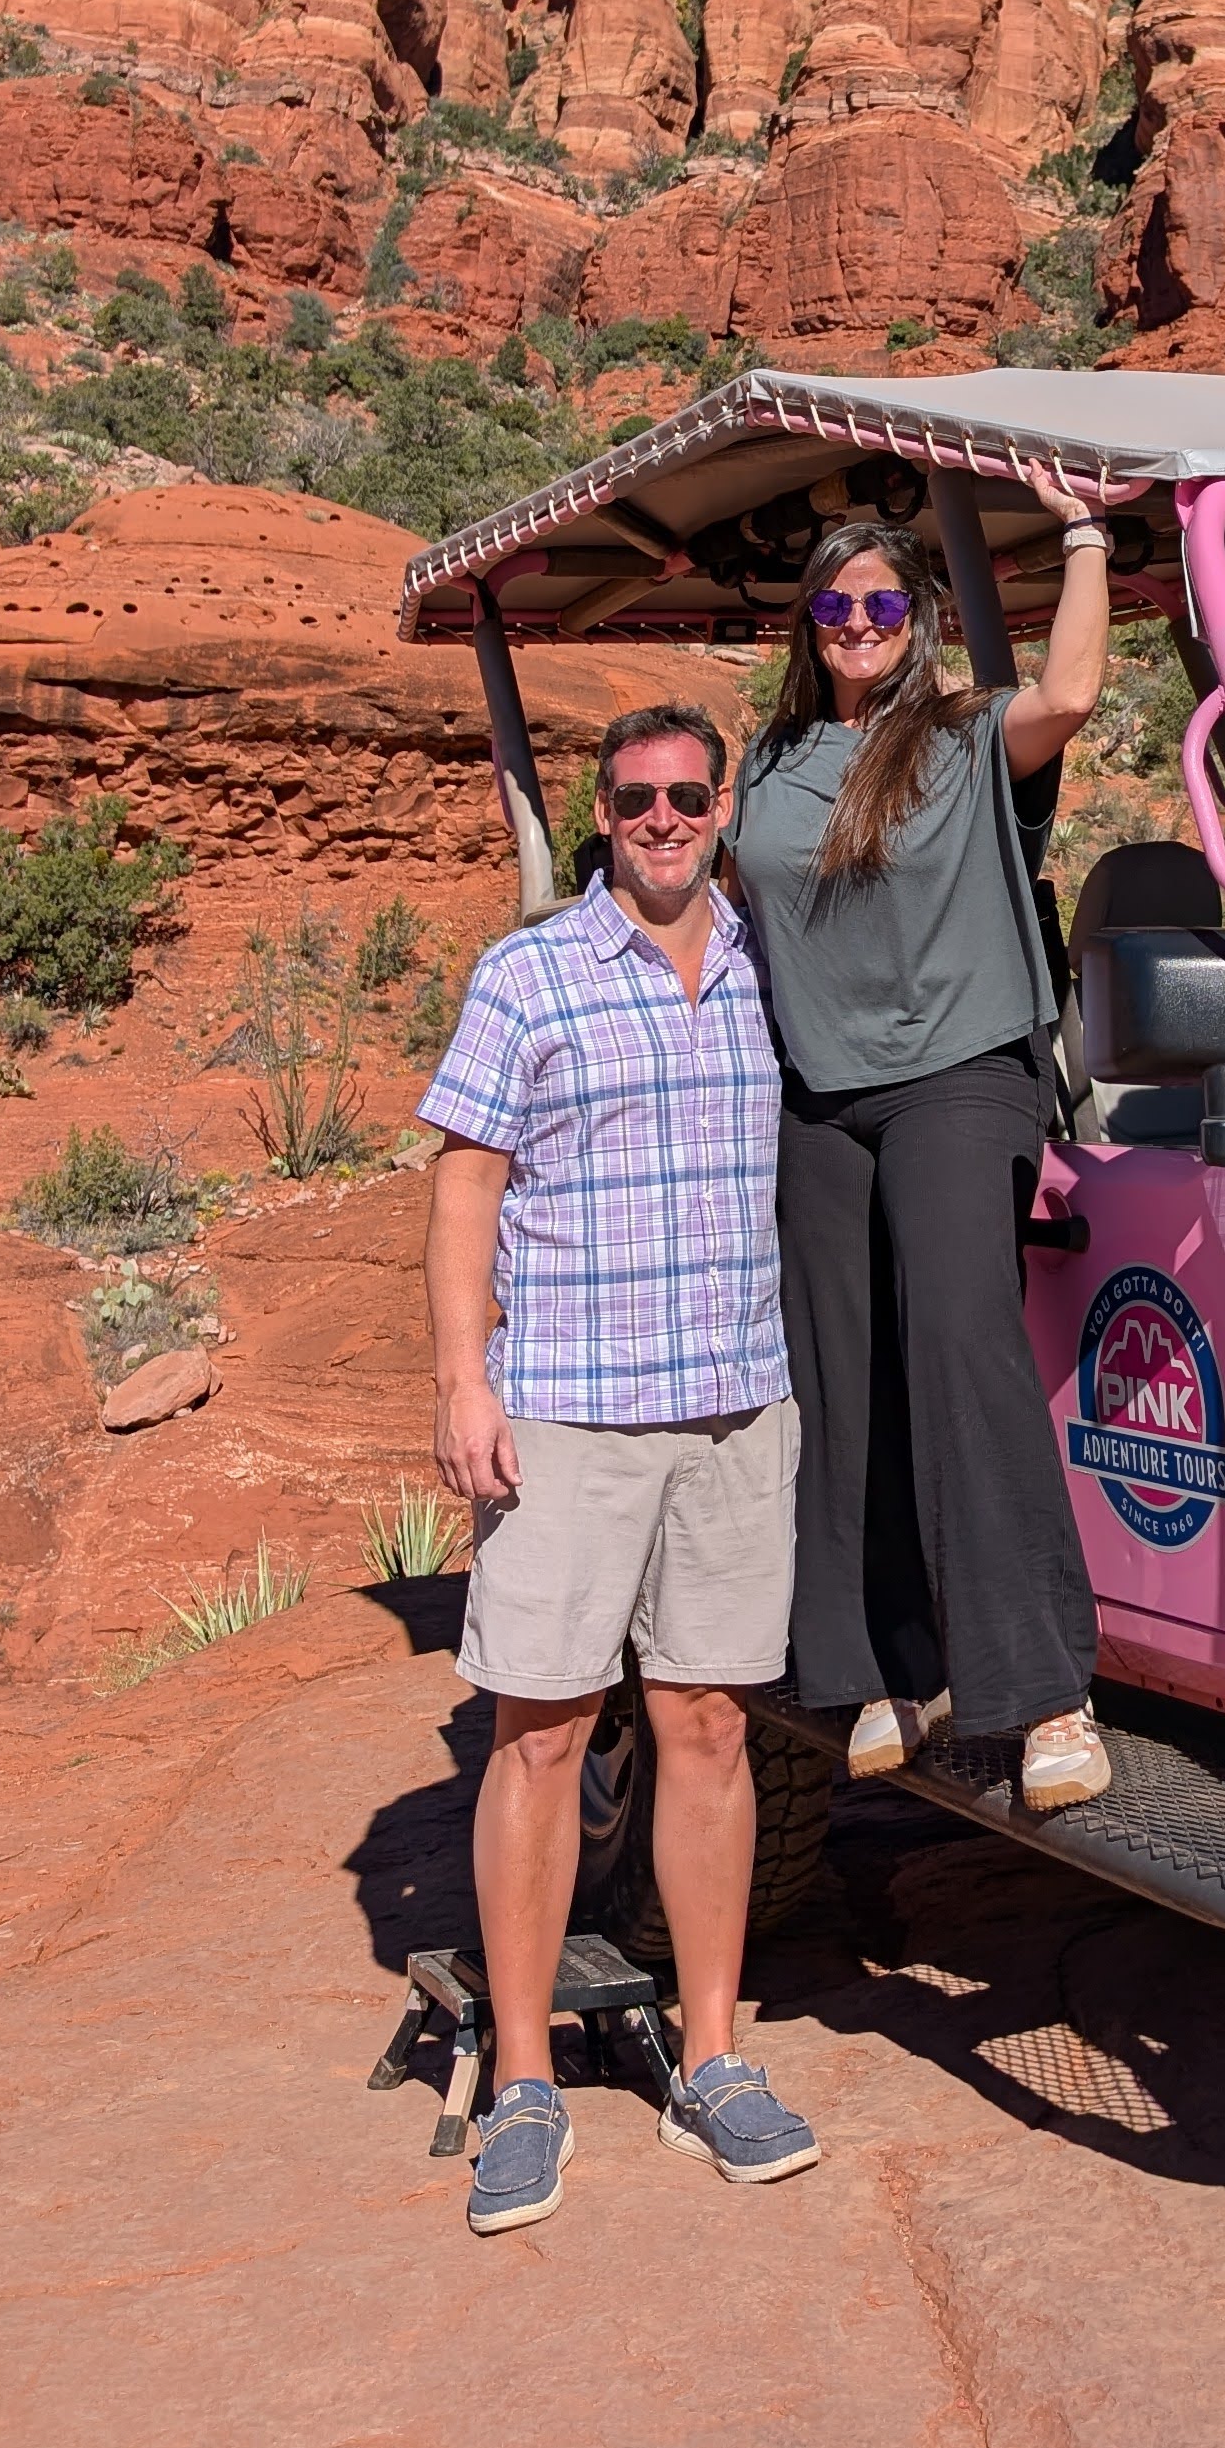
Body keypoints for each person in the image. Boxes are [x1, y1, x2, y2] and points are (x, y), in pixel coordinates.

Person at [424, 701, 820, 2240]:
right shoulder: (528, 975)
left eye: (687, 795)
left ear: (722, 809)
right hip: (572, 1413)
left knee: (710, 1725)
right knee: (540, 1732)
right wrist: (466, 1381)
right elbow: (468, 1181)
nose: (662, 818)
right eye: (636, 797)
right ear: (603, 814)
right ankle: (525, 2079)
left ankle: (713, 2056)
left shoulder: (766, 964)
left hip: (734, 1402)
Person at [732, 461, 1116, 1815]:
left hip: (961, 1077)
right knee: (847, 1372)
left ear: (920, 616)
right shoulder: (768, 764)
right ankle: (892, 1671)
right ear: (807, 626)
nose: (857, 623)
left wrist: (1079, 532)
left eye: (881, 601)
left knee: (959, 1339)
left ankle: (1045, 1693)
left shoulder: (962, 737)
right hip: (819, 1097)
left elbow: (1070, 694)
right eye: (834, 607)